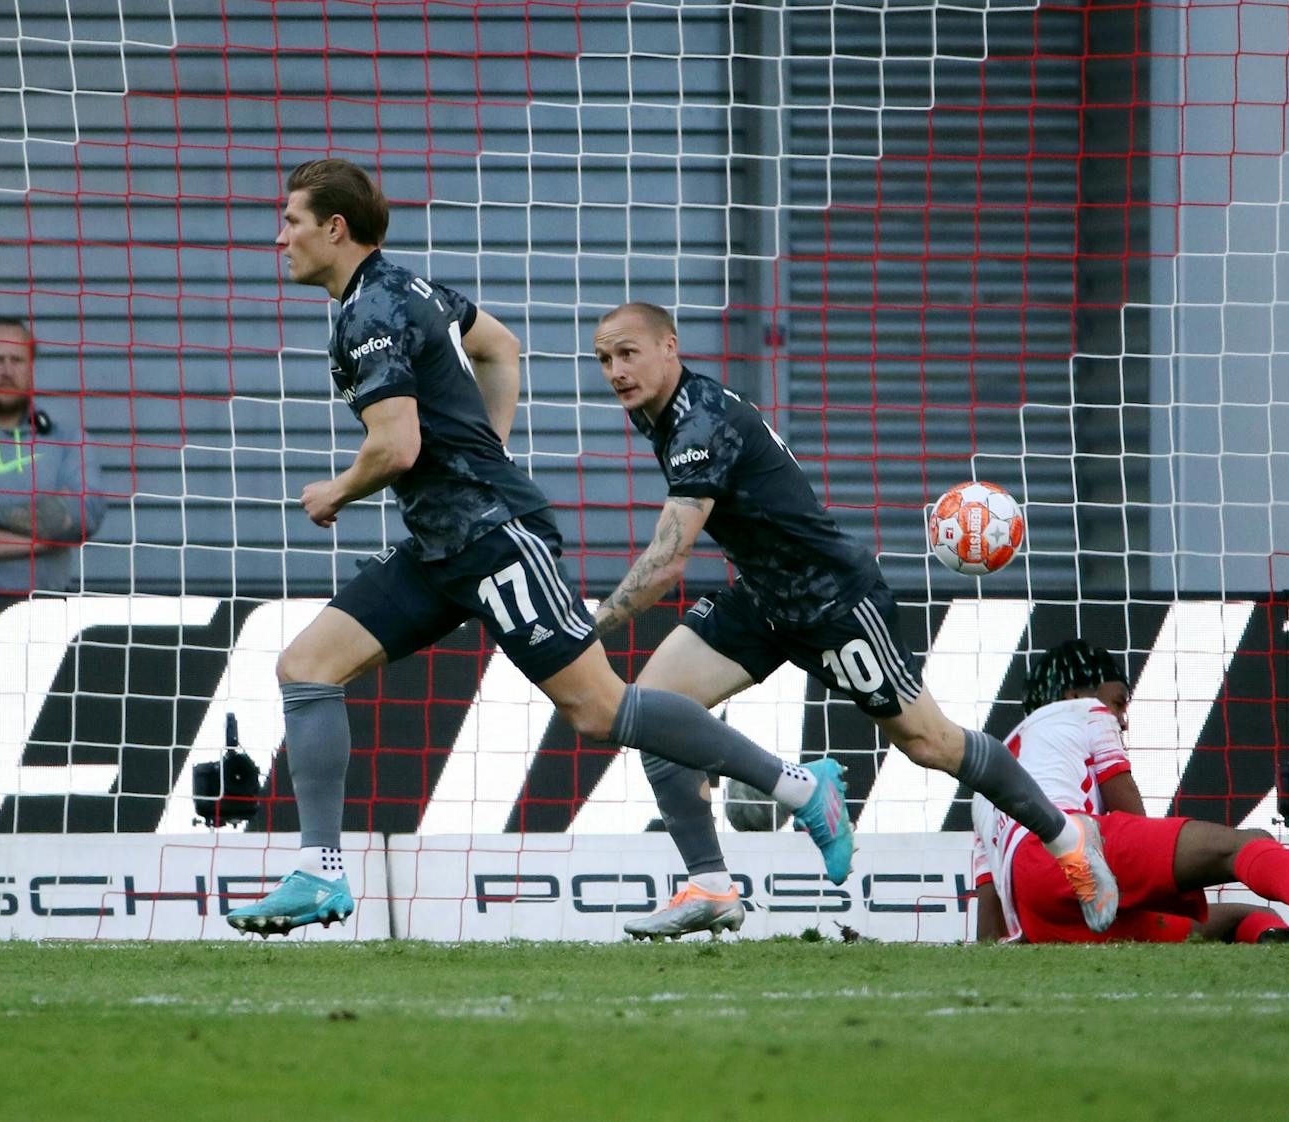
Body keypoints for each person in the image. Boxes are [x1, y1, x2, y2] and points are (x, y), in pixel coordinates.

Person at [226, 160, 852, 937]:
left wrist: (337, 490)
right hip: (441, 545)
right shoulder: (406, 288)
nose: (276, 236)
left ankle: (799, 786)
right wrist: (488, 450)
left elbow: (395, 444)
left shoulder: (369, 313)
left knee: (599, 710)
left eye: (288, 220)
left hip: (492, 541)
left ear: (334, 229)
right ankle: (319, 874)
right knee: (305, 667)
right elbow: (500, 346)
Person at [589, 303, 1119, 942]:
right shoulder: (667, 415)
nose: (616, 371)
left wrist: (591, 626)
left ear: (669, 347)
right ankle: (712, 882)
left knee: (931, 744)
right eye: (604, 359)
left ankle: (1067, 837)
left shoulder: (698, 422)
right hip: (764, 598)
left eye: (628, 353)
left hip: (835, 604)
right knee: (654, 713)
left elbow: (668, 560)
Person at [970, 640, 1289, 945]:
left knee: (1237, 919)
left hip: (1043, 920)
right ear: (1078, 696)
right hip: (1071, 855)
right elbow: (1133, 821)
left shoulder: (985, 785)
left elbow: (989, 927)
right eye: (1119, 702)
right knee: (1241, 844)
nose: (1122, 717)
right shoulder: (1084, 714)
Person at [0, 317, 107, 593]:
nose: (6, 370)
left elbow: (86, 514)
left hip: (47, 615)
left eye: (17, 360)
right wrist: (49, 532)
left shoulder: (68, 440)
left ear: (31, 367)